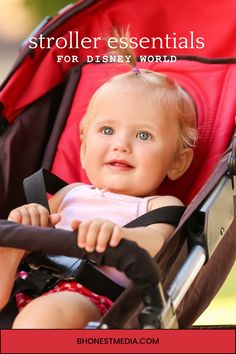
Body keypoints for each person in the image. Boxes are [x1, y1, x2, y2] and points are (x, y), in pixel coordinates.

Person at [0, 52, 197, 329]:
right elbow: (38, 230)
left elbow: (159, 244)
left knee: (43, 318)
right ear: (82, 149)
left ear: (177, 162)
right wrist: (26, 223)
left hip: (86, 297)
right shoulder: (71, 193)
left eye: (143, 135)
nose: (121, 145)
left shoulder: (158, 206)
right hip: (23, 283)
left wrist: (118, 235)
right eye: (107, 130)